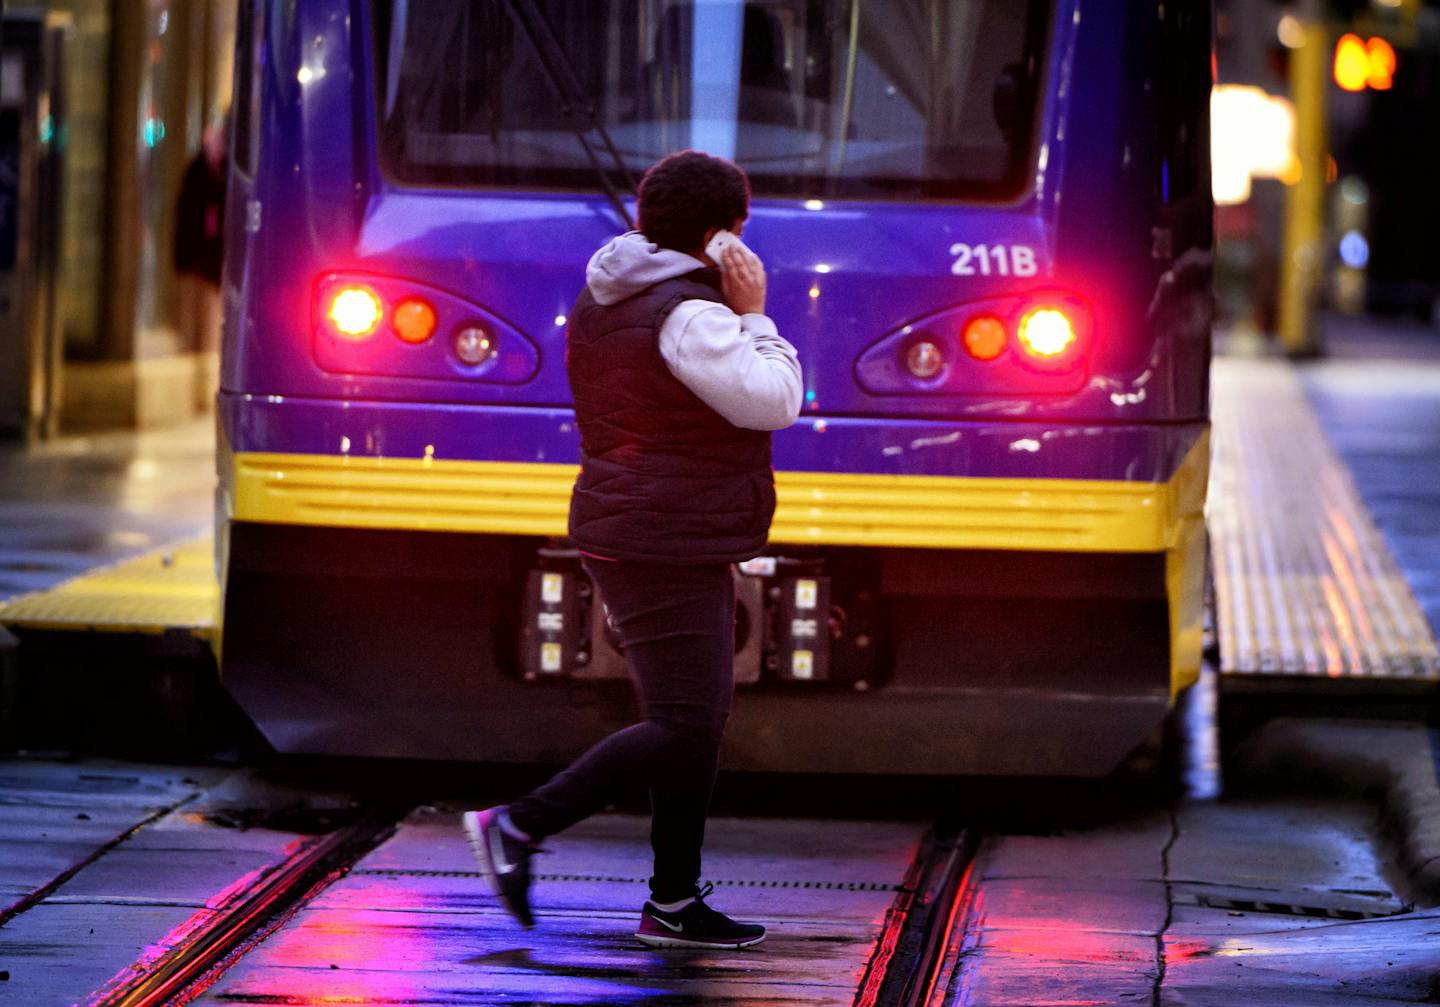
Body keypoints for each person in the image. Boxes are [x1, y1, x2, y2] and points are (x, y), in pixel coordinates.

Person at [462, 150, 802, 950]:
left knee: (695, 719)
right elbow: (775, 401)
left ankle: (674, 902)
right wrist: (756, 312)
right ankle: (517, 825)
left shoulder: (612, 292)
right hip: (664, 535)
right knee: (687, 720)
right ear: (725, 235)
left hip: (650, 526)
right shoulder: (692, 314)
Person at [172, 118, 227, 412]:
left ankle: (208, 386)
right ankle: (202, 388)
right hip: (204, 262)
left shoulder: (222, 169)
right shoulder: (201, 171)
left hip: (214, 261)